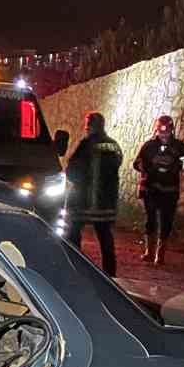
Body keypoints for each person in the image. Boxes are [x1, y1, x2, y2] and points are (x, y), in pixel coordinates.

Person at [63, 110, 124, 277]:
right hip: (105, 202)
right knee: (105, 238)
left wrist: (77, 182)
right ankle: (111, 275)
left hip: (84, 201)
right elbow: (117, 164)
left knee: (73, 235)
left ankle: (74, 268)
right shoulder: (113, 145)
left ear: (90, 126)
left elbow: (72, 169)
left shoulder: (86, 145)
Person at [133, 114, 184, 266]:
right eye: (161, 131)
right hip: (151, 189)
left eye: (166, 132)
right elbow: (137, 162)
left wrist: (177, 166)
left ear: (171, 130)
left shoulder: (179, 147)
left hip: (170, 190)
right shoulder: (149, 146)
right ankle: (149, 251)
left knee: (166, 221)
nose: (164, 135)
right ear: (157, 130)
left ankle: (160, 255)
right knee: (150, 220)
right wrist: (146, 168)